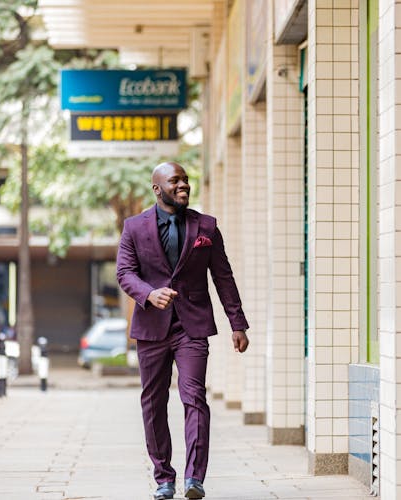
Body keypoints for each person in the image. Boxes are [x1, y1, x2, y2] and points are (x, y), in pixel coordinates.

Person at [116, 162, 249, 500]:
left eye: (185, 180)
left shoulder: (206, 226)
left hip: (192, 325)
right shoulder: (134, 228)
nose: (183, 186)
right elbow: (125, 272)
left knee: (194, 397)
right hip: (151, 327)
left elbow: (223, 276)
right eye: (175, 181)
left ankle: (194, 479)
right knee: (153, 401)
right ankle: (163, 477)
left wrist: (237, 323)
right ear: (157, 189)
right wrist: (148, 293)